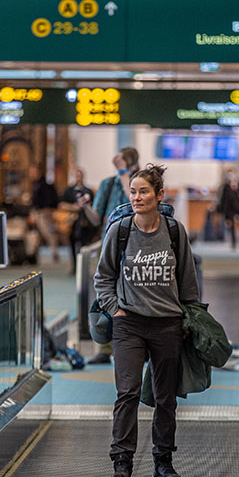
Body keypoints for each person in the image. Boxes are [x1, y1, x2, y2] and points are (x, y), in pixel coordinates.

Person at [94, 163, 200, 477]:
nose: (137, 197)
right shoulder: (121, 230)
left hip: (167, 324)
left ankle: (163, 462)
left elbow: (188, 281)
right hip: (129, 324)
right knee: (127, 392)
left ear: (159, 195)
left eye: (143, 192)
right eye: (133, 192)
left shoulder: (174, 231)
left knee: (165, 397)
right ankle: (122, 463)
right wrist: (115, 310)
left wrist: (188, 318)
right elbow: (103, 277)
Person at [88, 146, 139, 364]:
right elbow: (95, 218)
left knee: (134, 294)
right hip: (108, 243)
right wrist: (84, 208)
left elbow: (133, 200)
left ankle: (136, 344)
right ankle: (105, 346)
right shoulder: (107, 185)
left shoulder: (138, 183)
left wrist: (123, 173)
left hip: (134, 245)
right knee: (106, 293)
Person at [60, 169, 97, 271]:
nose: (78, 178)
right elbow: (61, 204)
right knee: (72, 244)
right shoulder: (69, 190)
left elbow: (94, 206)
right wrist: (73, 207)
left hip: (85, 221)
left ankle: (84, 266)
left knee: (85, 245)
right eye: (76, 176)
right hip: (72, 221)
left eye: (80, 175)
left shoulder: (88, 191)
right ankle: (74, 265)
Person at [29, 166, 61, 263]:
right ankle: (33, 254)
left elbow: (50, 199)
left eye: (33, 172)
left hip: (44, 212)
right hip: (37, 212)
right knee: (36, 234)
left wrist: (49, 210)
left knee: (48, 233)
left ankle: (54, 252)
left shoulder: (45, 184)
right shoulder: (35, 184)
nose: (31, 174)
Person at [216, 168, 239, 248]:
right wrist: (224, 213)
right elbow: (224, 200)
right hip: (231, 209)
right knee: (231, 226)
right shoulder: (226, 187)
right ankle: (233, 244)